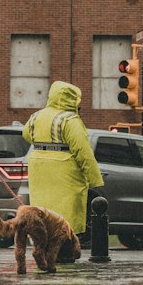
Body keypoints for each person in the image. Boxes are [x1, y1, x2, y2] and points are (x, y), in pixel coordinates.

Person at [22, 81, 104, 239]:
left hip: (39, 170)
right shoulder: (70, 120)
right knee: (67, 214)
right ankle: (65, 250)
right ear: (71, 100)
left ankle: (45, 246)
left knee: (44, 212)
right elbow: (83, 151)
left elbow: (26, 134)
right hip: (65, 173)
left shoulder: (36, 116)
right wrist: (95, 179)